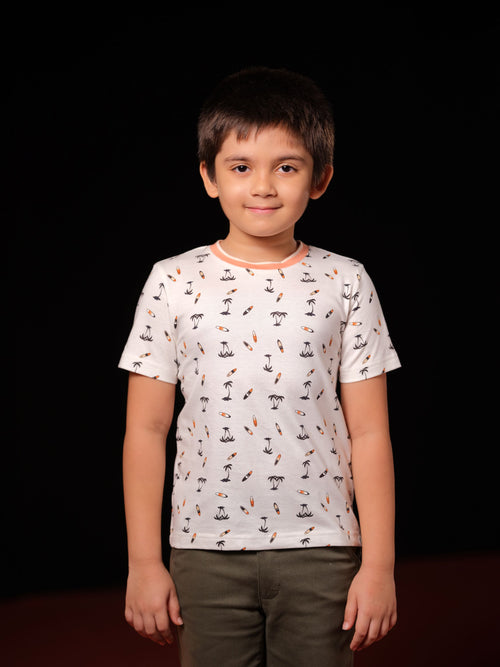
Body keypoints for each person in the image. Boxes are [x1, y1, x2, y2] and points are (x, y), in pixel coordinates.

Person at [119, 66, 401, 666]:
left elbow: (370, 432)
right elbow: (146, 429)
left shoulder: (346, 281)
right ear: (209, 176)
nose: (264, 186)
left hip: (323, 548)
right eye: (241, 167)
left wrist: (379, 566)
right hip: (203, 549)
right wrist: (144, 562)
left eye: (287, 167)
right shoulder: (172, 281)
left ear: (320, 179)